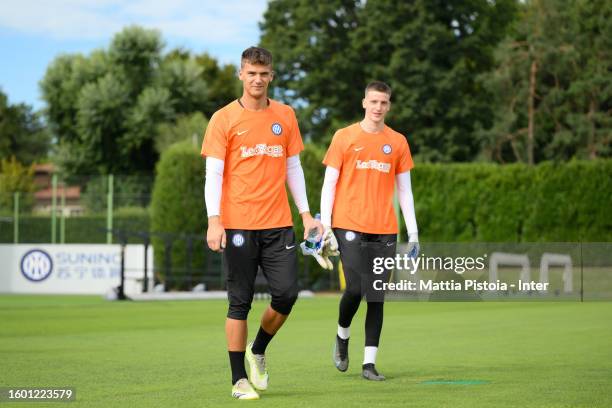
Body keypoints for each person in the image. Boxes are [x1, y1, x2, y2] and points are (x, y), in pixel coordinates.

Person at [201, 46, 323, 400]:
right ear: (241, 74)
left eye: (263, 73)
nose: (257, 79)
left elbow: (293, 167)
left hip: (278, 224)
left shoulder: (285, 115)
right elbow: (213, 175)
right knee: (239, 301)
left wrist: (306, 214)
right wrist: (214, 220)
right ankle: (239, 380)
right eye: (251, 73)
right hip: (238, 225)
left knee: (287, 294)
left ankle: (259, 348)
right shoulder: (222, 118)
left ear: (271, 76)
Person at [319, 81, 419, 381]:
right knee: (353, 289)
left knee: (376, 295)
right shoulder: (344, 137)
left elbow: (405, 192)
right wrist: (326, 225)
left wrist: (413, 233)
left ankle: (369, 364)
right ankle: (342, 334)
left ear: (388, 105)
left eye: (384, 103)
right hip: (348, 224)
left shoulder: (398, 142)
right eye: (373, 101)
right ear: (364, 102)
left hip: (385, 230)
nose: (378, 107)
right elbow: (329, 184)